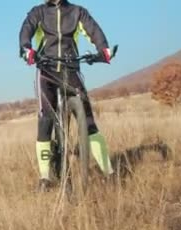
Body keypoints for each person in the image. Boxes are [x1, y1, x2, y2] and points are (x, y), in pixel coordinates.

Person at [19, 0, 114, 192]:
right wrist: (26, 49)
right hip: (46, 70)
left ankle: (109, 173)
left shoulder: (78, 12)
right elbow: (26, 30)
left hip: (71, 69)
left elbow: (93, 30)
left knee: (88, 122)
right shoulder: (38, 12)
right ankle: (45, 177)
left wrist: (103, 49)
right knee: (45, 120)